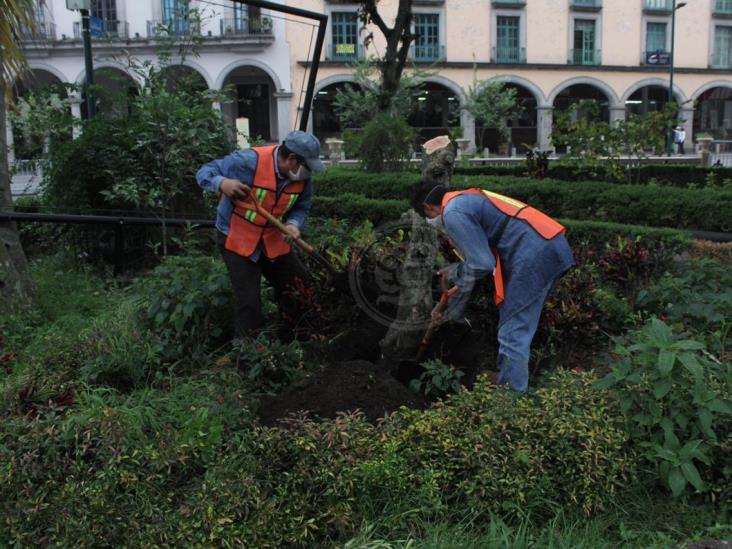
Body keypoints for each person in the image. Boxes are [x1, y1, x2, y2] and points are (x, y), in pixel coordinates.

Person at [410, 180, 575, 393]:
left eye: (427, 218)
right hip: (549, 246)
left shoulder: (453, 211)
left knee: (512, 332)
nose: (431, 222)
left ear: (428, 207)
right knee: (518, 326)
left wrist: (454, 272)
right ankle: (513, 383)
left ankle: (509, 404)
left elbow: (482, 264)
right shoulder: (467, 199)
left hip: (533, 255)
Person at [196, 130, 326, 339]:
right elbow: (205, 171)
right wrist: (222, 183)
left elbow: (301, 207)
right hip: (238, 236)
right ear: (292, 160)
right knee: (249, 300)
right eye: (307, 167)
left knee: (298, 283)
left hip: (272, 237)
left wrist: (293, 225)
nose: (308, 173)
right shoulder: (247, 162)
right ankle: (248, 356)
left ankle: (295, 336)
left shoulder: (302, 179)